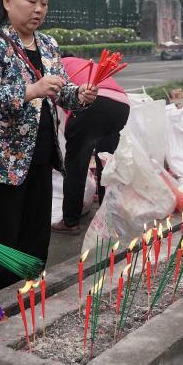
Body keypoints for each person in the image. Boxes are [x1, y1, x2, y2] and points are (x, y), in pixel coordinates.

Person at [0, 0, 97, 293]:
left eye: (45, 3)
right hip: (1, 162)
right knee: (5, 243)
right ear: (8, 1)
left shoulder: (49, 44)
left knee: (37, 238)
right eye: (32, 1)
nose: (39, 9)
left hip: (40, 156)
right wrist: (31, 90)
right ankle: (1, 309)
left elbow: (60, 91)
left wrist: (79, 95)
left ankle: (32, 299)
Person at [51, 54, 131, 234]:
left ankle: (70, 222)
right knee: (106, 163)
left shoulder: (57, 66)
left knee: (76, 166)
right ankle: (109, 217)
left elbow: (54, 105)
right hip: (121, 104)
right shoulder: (85, 64)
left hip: (92, 102)